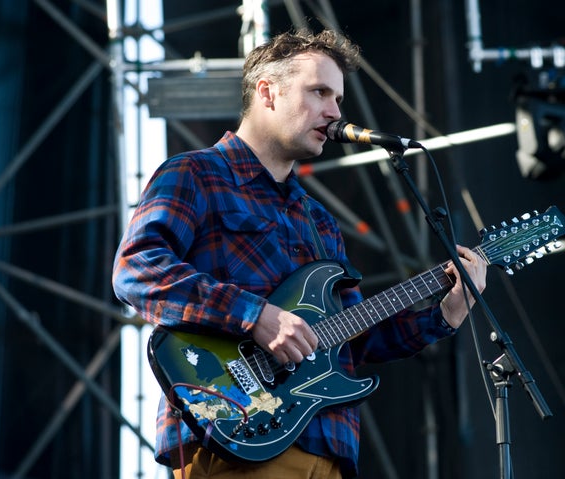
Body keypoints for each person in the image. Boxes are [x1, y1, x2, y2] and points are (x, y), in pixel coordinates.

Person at [112, 28, 487, 479]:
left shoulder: (319, 220)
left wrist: (445, 314)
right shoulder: (196, 173)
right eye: (320, 92)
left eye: (339, 98)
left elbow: (352, 340)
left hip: (329, 449)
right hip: (236, 433)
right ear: (268, 93)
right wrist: (255, 315)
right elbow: (137, 269)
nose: (334, 112)